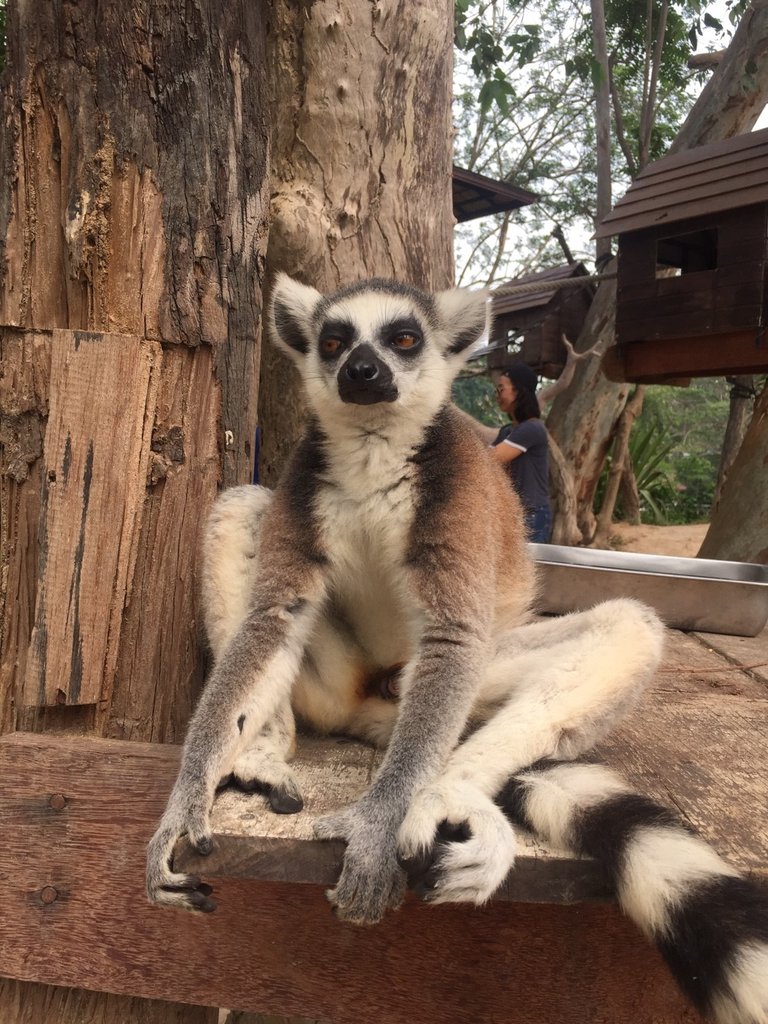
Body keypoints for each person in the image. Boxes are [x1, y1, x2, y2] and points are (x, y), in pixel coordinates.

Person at [489, 363, 552, 543]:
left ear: (518, 391)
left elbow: (490, 459)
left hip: (531, 515)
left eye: (501, 388)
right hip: (512, 514)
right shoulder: (507, 431)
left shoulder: (532, 428)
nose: (497, 395)